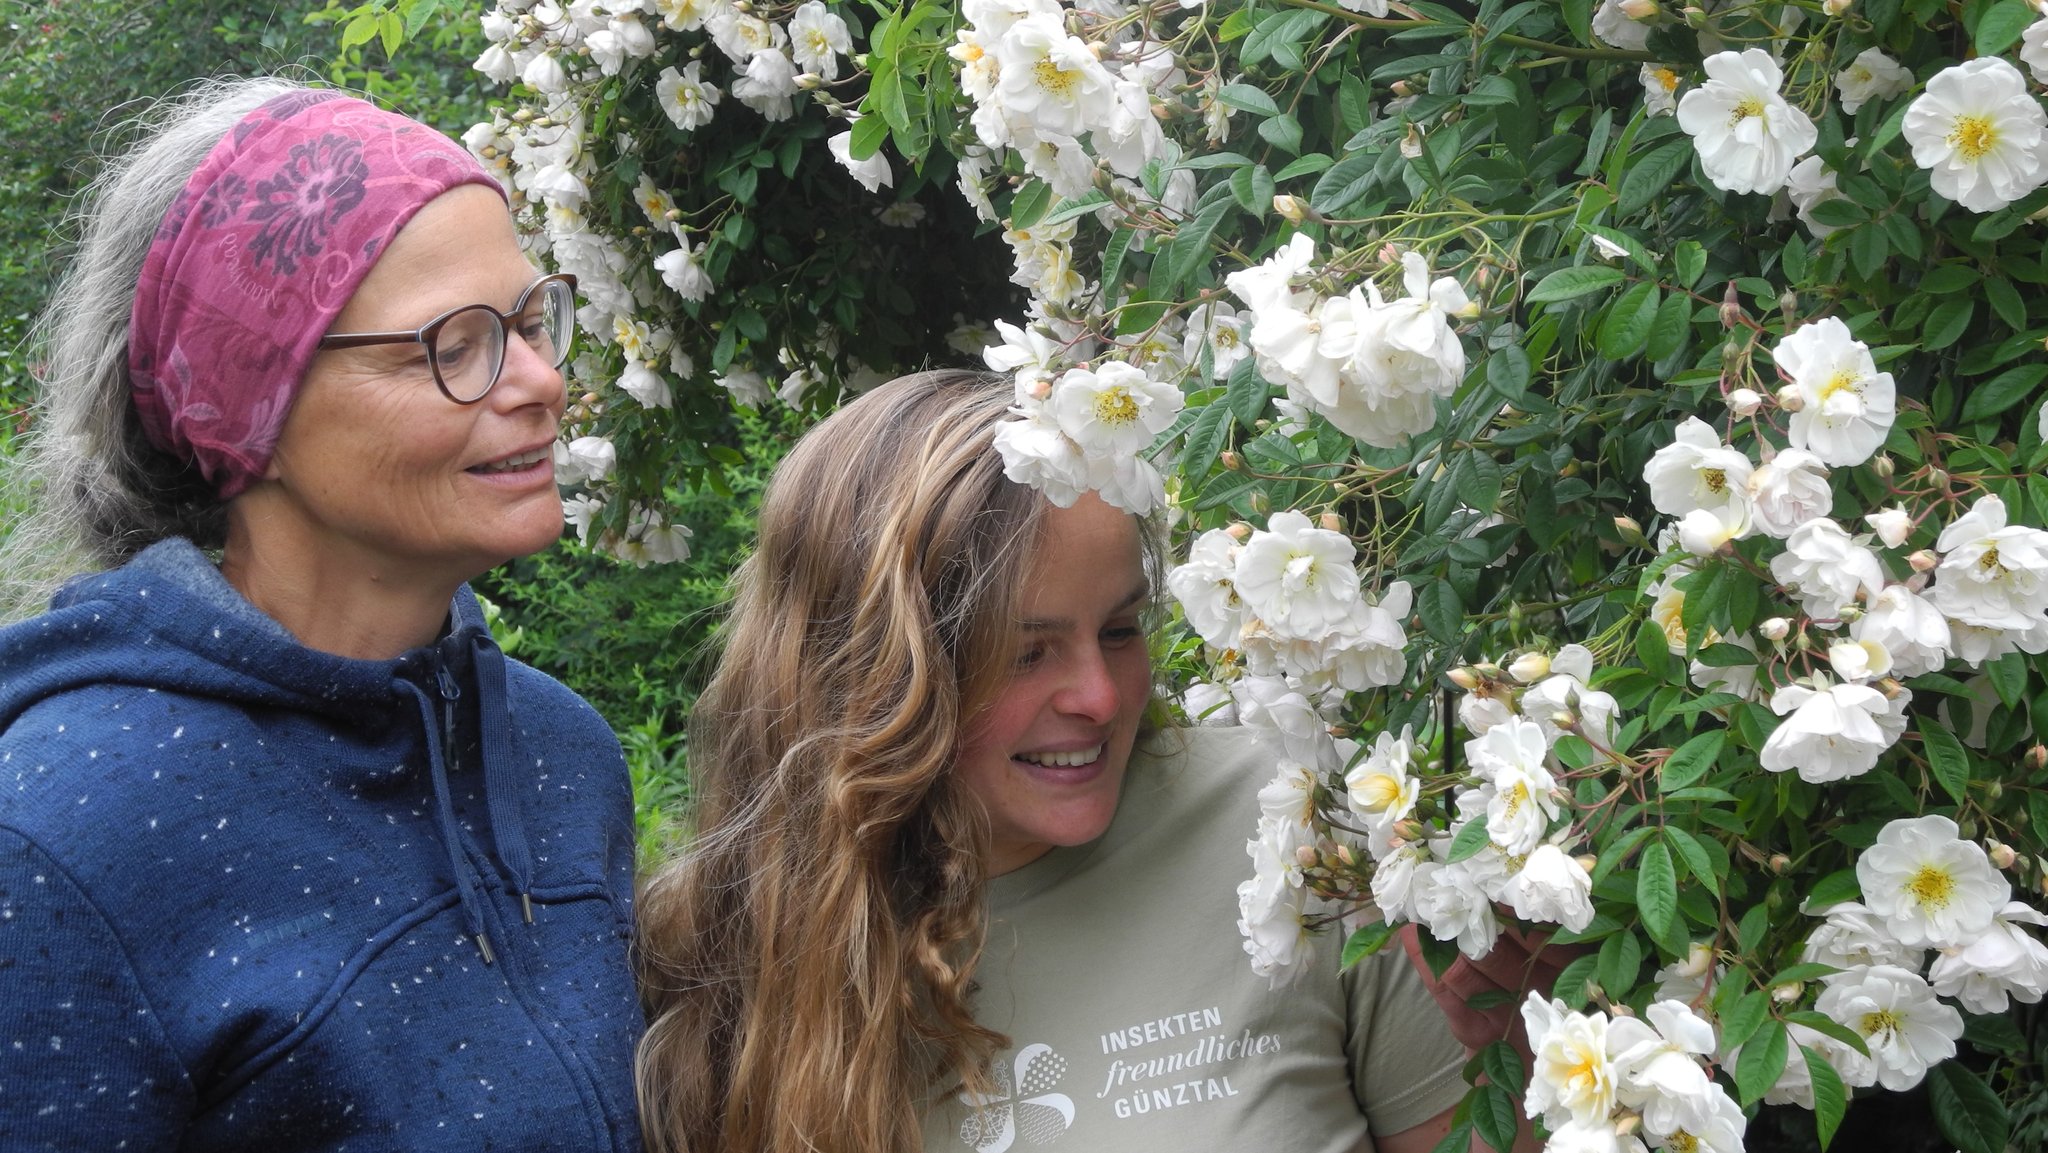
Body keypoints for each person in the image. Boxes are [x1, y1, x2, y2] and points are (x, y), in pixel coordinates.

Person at [0, 79, 642, 1150]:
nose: (538, 382)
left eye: (532, 321)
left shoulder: (560, 754)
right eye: (450, 344)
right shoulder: (60, 838)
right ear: (250, 402)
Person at [634, 370, 1475, 1153]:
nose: (1102, 699)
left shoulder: (1295, 820)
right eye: (1025, 653)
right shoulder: (721, 952)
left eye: (1120, 630)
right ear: (872, 675)